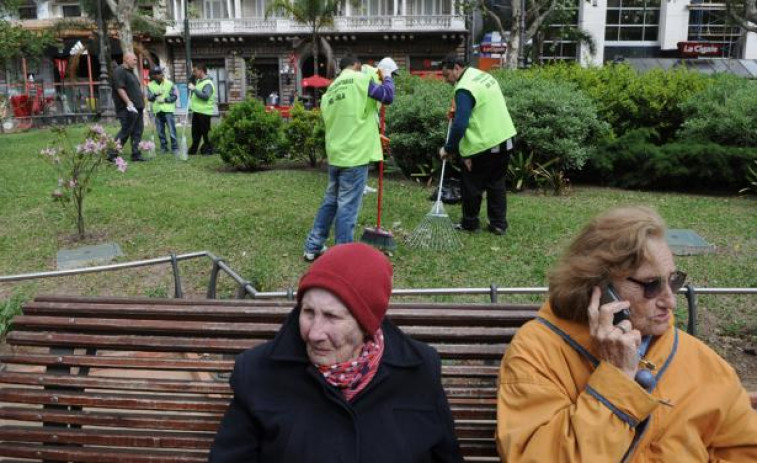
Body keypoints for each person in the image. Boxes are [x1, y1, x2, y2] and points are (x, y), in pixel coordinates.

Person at [496, 206, 757, 461]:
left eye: (674, 280)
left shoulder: (699, 361)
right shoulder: (536, 352)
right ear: (599, 286)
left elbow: (743, 447)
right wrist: (615, 381)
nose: (671, 301)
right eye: (651, 285)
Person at [209, 243, 464, 462]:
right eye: (308, 313)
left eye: (332, 316)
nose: (314, 333)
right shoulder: (259, 373)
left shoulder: (418, 372)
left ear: (366, 324)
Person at [302, 55, 397, 262]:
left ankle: (313, 246)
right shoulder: (360, 80)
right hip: (354, 157)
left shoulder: (331, 90)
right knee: (347, 207)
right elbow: (388, 96)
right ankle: (341, 256)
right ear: (356, 65)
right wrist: (388, 75)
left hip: (336, 155)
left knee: (330, 202)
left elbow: (345, 119)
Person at [438, 53, 516, 236]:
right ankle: (498, 224)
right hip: (506, 137)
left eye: (446, 75)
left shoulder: (464, 88)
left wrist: (449, 149)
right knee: (496, 182)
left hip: (485, 142)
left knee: (471, 184)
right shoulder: (482, 75)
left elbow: (460, 124)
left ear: (457, 68)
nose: (445, 80)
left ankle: (470, 223)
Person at [111, 52, 146, 162]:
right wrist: (128, 102)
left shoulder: (131, 72)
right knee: (126, 131)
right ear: (126, 59)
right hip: (127, 108)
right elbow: (119, 88)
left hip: (138, 108)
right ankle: (111, 153)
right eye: (134, 60)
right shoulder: (119, 71)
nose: (136, 62)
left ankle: (136, 154)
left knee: (137, 131)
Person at [146, 66, 179, 154]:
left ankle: (175, 147)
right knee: (160, 131)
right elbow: (149, 98)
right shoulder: (150, 85)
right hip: (157, 111)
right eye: (156, 74)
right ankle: (164, 147)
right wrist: (155, 94)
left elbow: (174, 96)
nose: (159, 75)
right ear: (154, 76)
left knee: (172, 130)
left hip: (168, 111)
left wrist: (165, 100)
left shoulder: (169, 83)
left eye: (160, 73)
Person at [187, 63, 216, 155]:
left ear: (201, 71)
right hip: (197, 111)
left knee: (206, 133)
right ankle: (193, 149)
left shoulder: (208, 83)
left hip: (204, 112)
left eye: (195, 71)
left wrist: (194, 89)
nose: (194, 73)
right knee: (195, 133)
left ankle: (209, 149)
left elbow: (205, 96)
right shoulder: (199, 81)